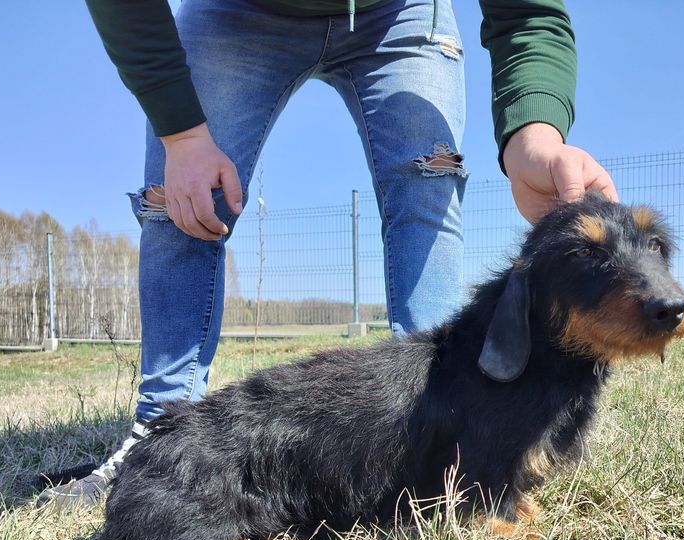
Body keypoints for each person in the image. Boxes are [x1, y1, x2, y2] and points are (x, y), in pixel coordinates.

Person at [37, 0, 617, 508]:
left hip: (399, 13)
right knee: (180, 200)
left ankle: (448, 434)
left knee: (427, 178)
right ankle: (159, 431)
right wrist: (182, 134)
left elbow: (526, 11)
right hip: (236, 11)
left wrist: (534, 136)